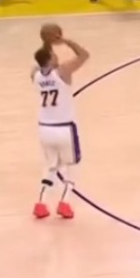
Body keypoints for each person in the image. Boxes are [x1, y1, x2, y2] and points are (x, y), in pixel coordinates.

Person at [32, 34, 90, 220]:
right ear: (50, 59)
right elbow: (84, 55)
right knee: (72, 166)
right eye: (53, 55)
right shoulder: (63, 72)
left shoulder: (35, 74)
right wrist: (66, 41)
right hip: (64, 128)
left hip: (44, 129)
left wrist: (47, 41)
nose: (56, 56)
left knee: (50, 166)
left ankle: (40, 204)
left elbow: (40, 61)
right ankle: (64, 203)